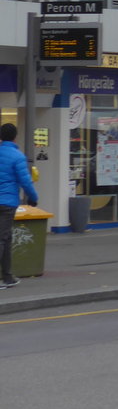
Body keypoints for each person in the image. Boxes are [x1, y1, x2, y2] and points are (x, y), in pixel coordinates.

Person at [0, 123, 38, 289]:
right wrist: (33, 198)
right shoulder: (17, 156)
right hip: (7, 203)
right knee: (3, 238)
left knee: (6, 238)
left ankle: (8, 276)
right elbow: (25, 181)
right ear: (15, 136)